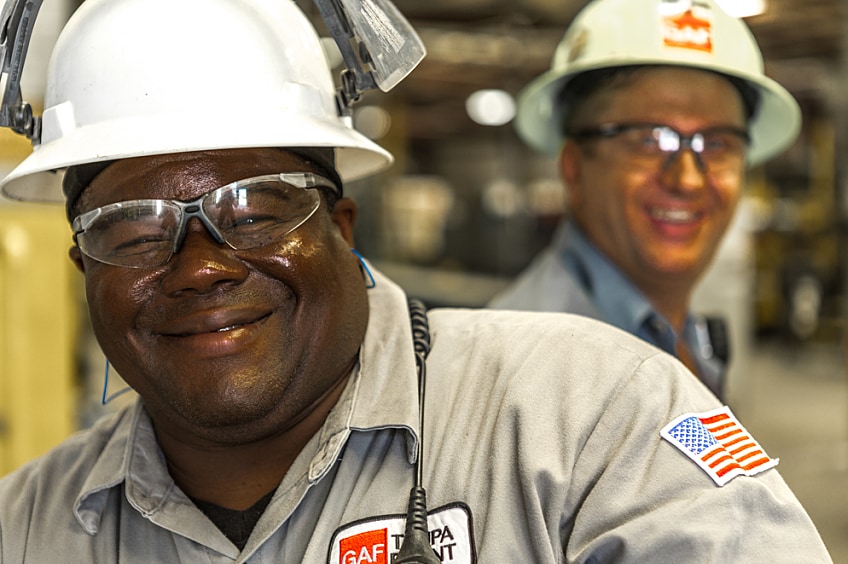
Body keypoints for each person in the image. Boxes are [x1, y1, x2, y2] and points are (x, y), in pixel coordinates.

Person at [0, 0, 832, 561]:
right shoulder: (30, 522)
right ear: (85, 271)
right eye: (133, 231)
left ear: (343, 228)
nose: (203, 265)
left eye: (258, 210)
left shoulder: (591, 417)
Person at [488, 0, 801, 400]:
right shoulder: (523, 372)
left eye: (717, 142)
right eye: (651, 140)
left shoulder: (681, 338)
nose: (687, 179)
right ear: (573, 165)